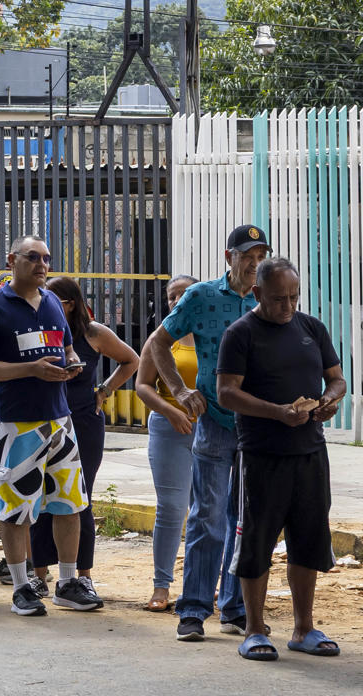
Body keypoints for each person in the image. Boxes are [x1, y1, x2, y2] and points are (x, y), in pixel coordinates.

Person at [216, 256, 346, 661]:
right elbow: (226, 393)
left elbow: (338, 378)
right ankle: (254, 630)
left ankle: (303, 628)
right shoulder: (241, 334)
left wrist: (328, 401)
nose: (287, 306)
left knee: (308, 541)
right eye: (278, 299)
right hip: (261, 456)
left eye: (293, 297)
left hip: (310, 453)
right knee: (256, 542)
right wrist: (278, 412)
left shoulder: (311, 328)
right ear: (257, 293)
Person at [143, 223, 263, 641]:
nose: (253, 263)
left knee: (244, 520)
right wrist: (178, 388)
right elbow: (158, 342)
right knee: (207, 518)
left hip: (258, 426)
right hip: (214, 420)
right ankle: (193, 610)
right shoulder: (201, 296)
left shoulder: (269, 299)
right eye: (247, 255)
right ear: (228, 257)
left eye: (259, 255)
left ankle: (234, 607)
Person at [0, 237, 98, 617]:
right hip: (17, 425)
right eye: (33, 257)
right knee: (16, 510)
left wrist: (71, 361)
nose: (42, 264)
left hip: (61, 421)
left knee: (70, 504)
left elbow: (68, 347)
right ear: (11, 260)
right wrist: (31, 369)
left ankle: (69, 582)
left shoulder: (54, 302)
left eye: (46, 258)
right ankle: (23, 586)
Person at [29, 275, 138, 602]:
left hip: (83, 423)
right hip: (45, 421)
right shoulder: (40, 331)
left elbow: (131, 359)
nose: (43, 303)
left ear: (70, 303)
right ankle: (39, 575)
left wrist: (105, 390)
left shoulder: (92, 333)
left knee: (79, 498)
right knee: (41, 496)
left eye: (51, 298)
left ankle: (83, 576)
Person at [134, 275, 199, 612]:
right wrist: (170, 412)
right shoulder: (161, 340)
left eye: (183, 294)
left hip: (211, 433)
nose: (176, 301)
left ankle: (205, 583)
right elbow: (142, 385)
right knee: (172, 508)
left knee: (211, 510)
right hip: (169, 429)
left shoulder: (214, 335)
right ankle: (162, 586)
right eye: (171, 296)